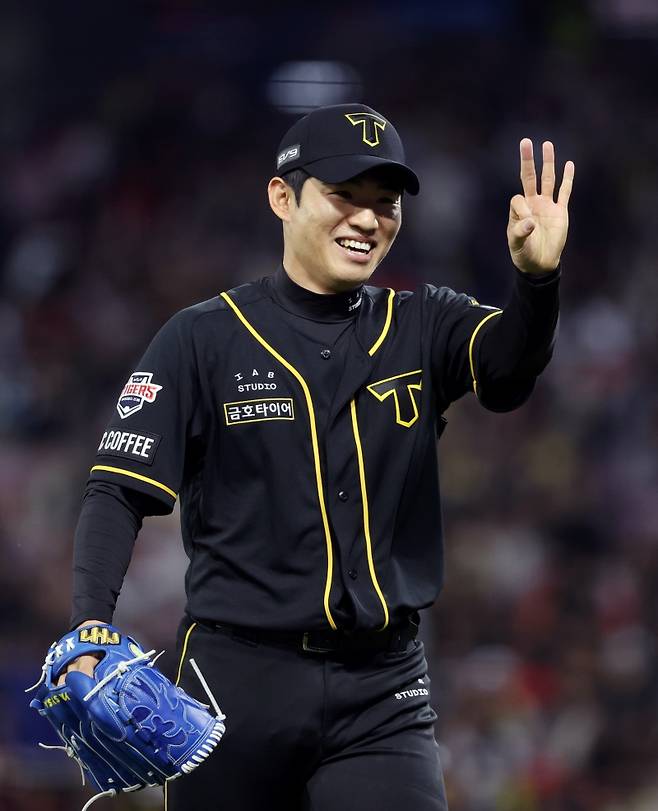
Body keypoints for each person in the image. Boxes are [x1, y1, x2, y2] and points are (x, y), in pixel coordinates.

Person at [62, 103, 574, 810]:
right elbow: (118, 490)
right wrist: (91, 625)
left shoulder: (421, 321)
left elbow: (509, 370)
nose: (367, 219)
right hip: (233, 685)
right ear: (283, 197)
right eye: (343, 195)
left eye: (385, 202)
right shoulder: (202, 338)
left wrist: (536, 283)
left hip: (382, 688)